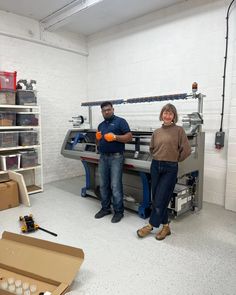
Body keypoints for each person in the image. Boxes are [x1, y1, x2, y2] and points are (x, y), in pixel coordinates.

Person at [137, 103, 191, 240]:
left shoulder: (179, 131)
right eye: (165, 113)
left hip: (170, 168)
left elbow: (187, 150)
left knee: (160, 198)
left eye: (170, 113)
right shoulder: (157, 132)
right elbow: (151, 148)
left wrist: (175, 159)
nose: (167, 115)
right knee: (157, 198)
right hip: (155, 165)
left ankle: (150, 225)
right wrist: (158, 156)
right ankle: (166, 226)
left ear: (174, 116)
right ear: (162, 115)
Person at [95, 101, 132, 223]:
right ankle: (105, 208)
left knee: (115, 186)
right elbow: (98, 144)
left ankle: (118, 212)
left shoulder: (121, 121)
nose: (106, 112)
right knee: (104, 184)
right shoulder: (101, 125)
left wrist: (115, 137)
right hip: (103, 157)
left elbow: (129, 137)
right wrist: (98, 139)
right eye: (104, 110)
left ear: (113, 109)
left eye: (108, 109)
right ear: (102, 112)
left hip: (116, 157)